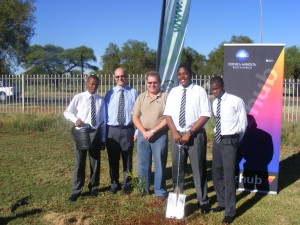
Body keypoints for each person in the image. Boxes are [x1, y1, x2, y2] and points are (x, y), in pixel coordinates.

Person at [163, 64, 211, 214]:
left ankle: (203, 201)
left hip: (195, 135)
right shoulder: (174, 92)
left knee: (199, 169)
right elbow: (168, 114)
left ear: (190, 74)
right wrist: (175, 132)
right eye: (179, 74)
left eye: (185, 74)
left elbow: (205, 115)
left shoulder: (199, 91)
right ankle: (177, 202)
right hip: (177, 136)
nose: (182, 77)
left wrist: (189, 132)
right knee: (177, 171)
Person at [210, 76, 247, 225]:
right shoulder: (214, 103)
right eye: (212, 89)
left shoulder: (235, 101)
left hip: (230, 141)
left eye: (217, 88)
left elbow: (243, 124)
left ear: (223, 86)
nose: (215, 92)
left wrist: (234, 141)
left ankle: (230, 211)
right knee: (216, 173)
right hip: (217, 141)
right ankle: (222, 202)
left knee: (229, 176)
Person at [63, 75, 106, 202]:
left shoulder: (100, 100)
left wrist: (102, 138)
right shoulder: (79, 97)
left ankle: (93, 188)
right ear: (87, 83)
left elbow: (102, 120)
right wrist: (76, 120)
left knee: (95, 162)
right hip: (81, 133)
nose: (94, 87)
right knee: (79, 162)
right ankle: (76, 190)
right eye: (92, 84)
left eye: (96, 85)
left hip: (95, 133)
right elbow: (67, 112)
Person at [132, 71, 168, 202]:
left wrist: (153, 131)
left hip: (159, 135)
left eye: (155, 82)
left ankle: (160, 191)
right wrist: (143, 131)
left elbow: (168, 118)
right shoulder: (141, 97)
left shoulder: (165, 96)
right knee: (143, 163)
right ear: (146, 83)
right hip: (143, 135)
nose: (152, 85)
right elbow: (135, 117)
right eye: (150, 82)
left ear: (159, 83)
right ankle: (143, 188)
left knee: (160, 163)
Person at [105, 67, 138, 194]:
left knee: (127, 158)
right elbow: (104, 113)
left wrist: (136, 131)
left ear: (126, 76)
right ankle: (114, 183)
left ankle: (127, 184)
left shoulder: (133, 92)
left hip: (127, 129)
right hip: (112, 130)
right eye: (117, 76)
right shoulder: (110, 93)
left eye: (122, 76)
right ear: (114, 77)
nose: (120, 78)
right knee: (113, 159)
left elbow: (138, 113)